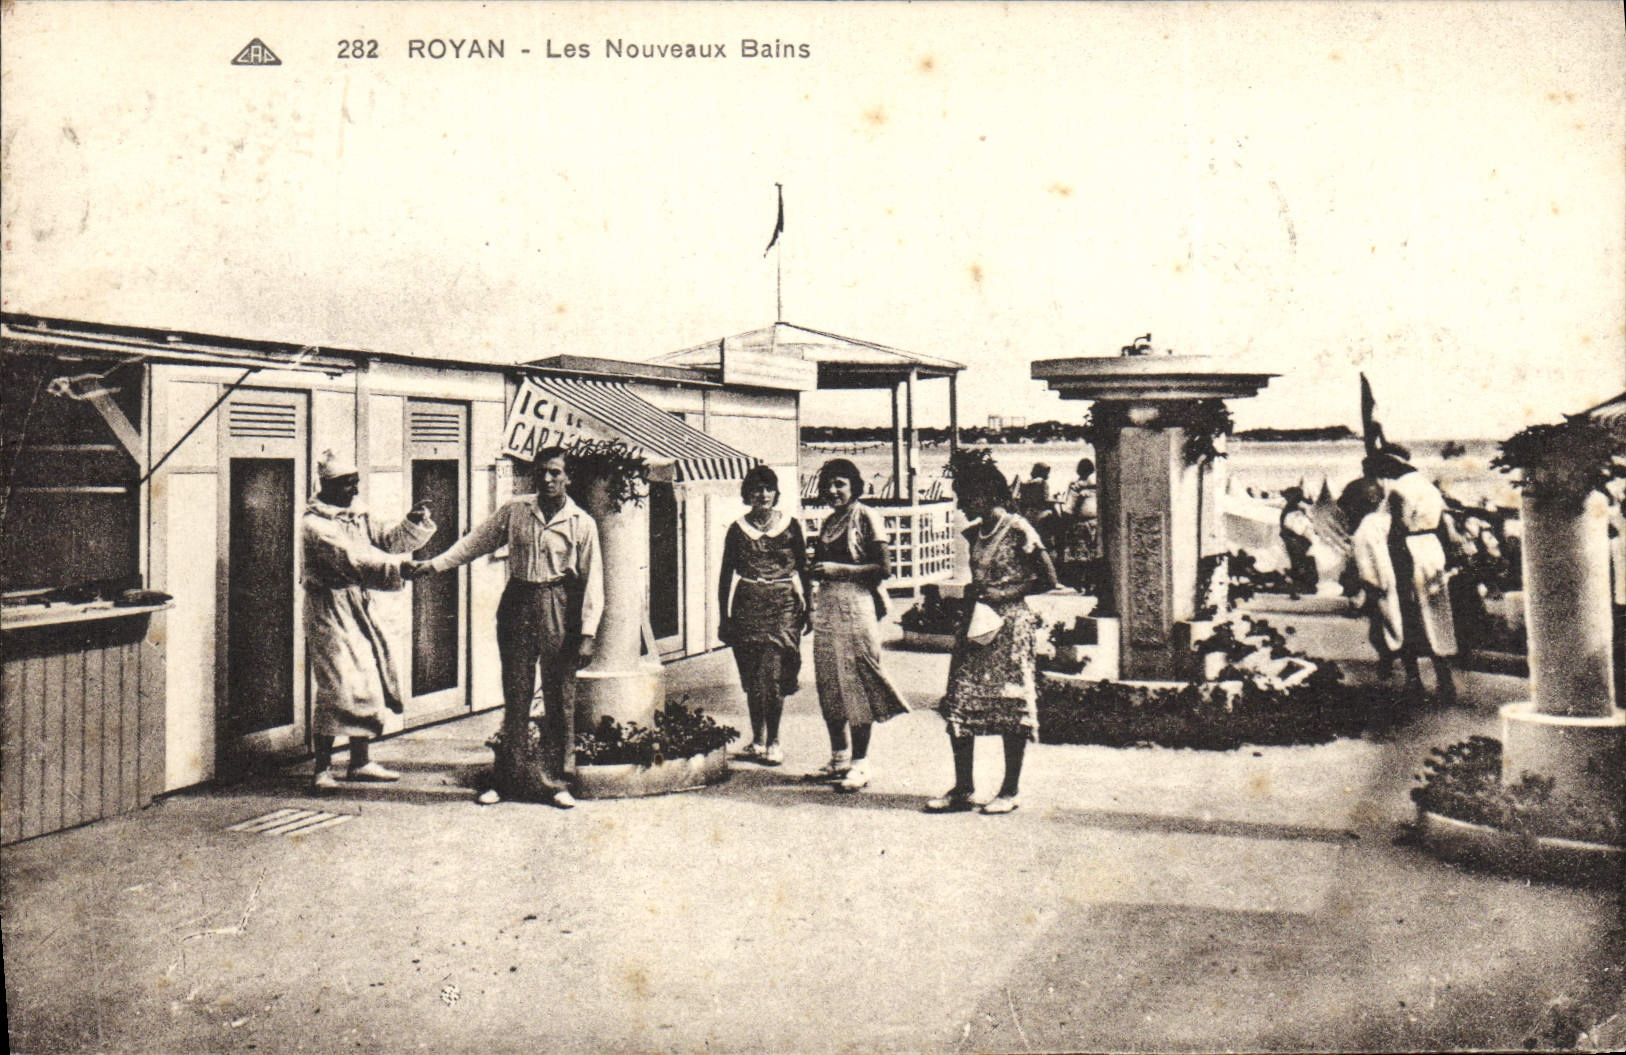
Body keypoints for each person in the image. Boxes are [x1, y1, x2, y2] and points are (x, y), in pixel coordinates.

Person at [415, 449, 602, 808]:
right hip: (518, 599)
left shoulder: (582, 522)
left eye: (554, 473)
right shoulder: (516, 511)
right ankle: (507, 779)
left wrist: (588, 634)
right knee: (515, 695)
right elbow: (475, 542)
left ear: (568, 478)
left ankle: (558, 781)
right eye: (540, 473)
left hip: (557, 603)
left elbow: (594, 581)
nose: (546, 480)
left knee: (559, 697)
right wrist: (435, 566)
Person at [926, 461, 1058, 815]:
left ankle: (1009, 789)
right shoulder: (976, 533)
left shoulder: (1018, 529)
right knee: (960, 700)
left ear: (984, 495)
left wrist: (1004, 593)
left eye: (965, 498)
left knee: (1008, 705)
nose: (961, 506)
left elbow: (1048, 578)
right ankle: (963, 787)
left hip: (1011, 626)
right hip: (977, 624)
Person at [302, 449, 436, 790]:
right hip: (329, 608)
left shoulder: (356, 515)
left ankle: (359, 762)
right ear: (328, 485)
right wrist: (400, 568)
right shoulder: (315, 525)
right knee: (338, 686)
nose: (355, 491)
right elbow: (353, 560)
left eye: (356, 483)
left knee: (369, 682)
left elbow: (388, 541)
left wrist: (411, 523)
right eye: (348, 484)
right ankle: (322, 769)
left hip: (358, 604)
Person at [808, 458, 911, 792]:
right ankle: (838, 757)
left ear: (854, 486)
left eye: (840, 483)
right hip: (826, 606)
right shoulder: (828, 521)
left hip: (856, 605)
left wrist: (840, 570)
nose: (834, 490)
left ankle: (860, 762)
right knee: (829, 682)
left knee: (857, 681)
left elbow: (883, 568)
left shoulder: (866, 516)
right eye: (829, 485)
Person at [718, 465, 812, 766]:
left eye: (768, 488)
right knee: (751, 677)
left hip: (782, 604)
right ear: (748, 494)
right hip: (747, 603)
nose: (763, 494)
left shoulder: (790, 525)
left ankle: (773, 740)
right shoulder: (737, 529)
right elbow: (724, 575)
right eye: (757, 489)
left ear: (775, 492)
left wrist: (810, 605)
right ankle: (757, 740)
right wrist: (724, 617)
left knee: (772, 675)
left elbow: (803, 569)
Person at [1364, 449, 1458, 704]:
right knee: (1436, 615)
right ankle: (1445, 678)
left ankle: (1414, 679)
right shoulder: (1428, 488)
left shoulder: (1398, 491)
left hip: (1408, 552)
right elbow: (1441, 526)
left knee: (1405, 615)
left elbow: (1397, 529)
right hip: (1431, 550)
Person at [1340, 477, 1402, 678]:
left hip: (1379, 582)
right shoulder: (1388, 519)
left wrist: (1370, 585)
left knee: (1380, 627)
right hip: (1398, 577)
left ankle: (1388, 662)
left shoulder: (1366, 527)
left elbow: (1370, 559)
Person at [1059, 457, 1100, 591]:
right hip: (1098, 523)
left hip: (1081, 524)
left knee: (1080, 555)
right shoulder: (1099, 484)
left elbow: (1068, 509)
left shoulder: (1076, 487)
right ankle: (1093, 583)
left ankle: (1082, 583)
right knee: (1095, 553)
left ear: (1079, 471)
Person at [1278, 486, 1318, 598]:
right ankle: (1304, 587)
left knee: (1297, 563)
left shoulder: (1290, 509)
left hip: (1293, 540)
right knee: (1302, 562)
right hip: (1297, 540)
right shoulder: (1294, 511)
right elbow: (1299, 528)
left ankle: (1300, 587)